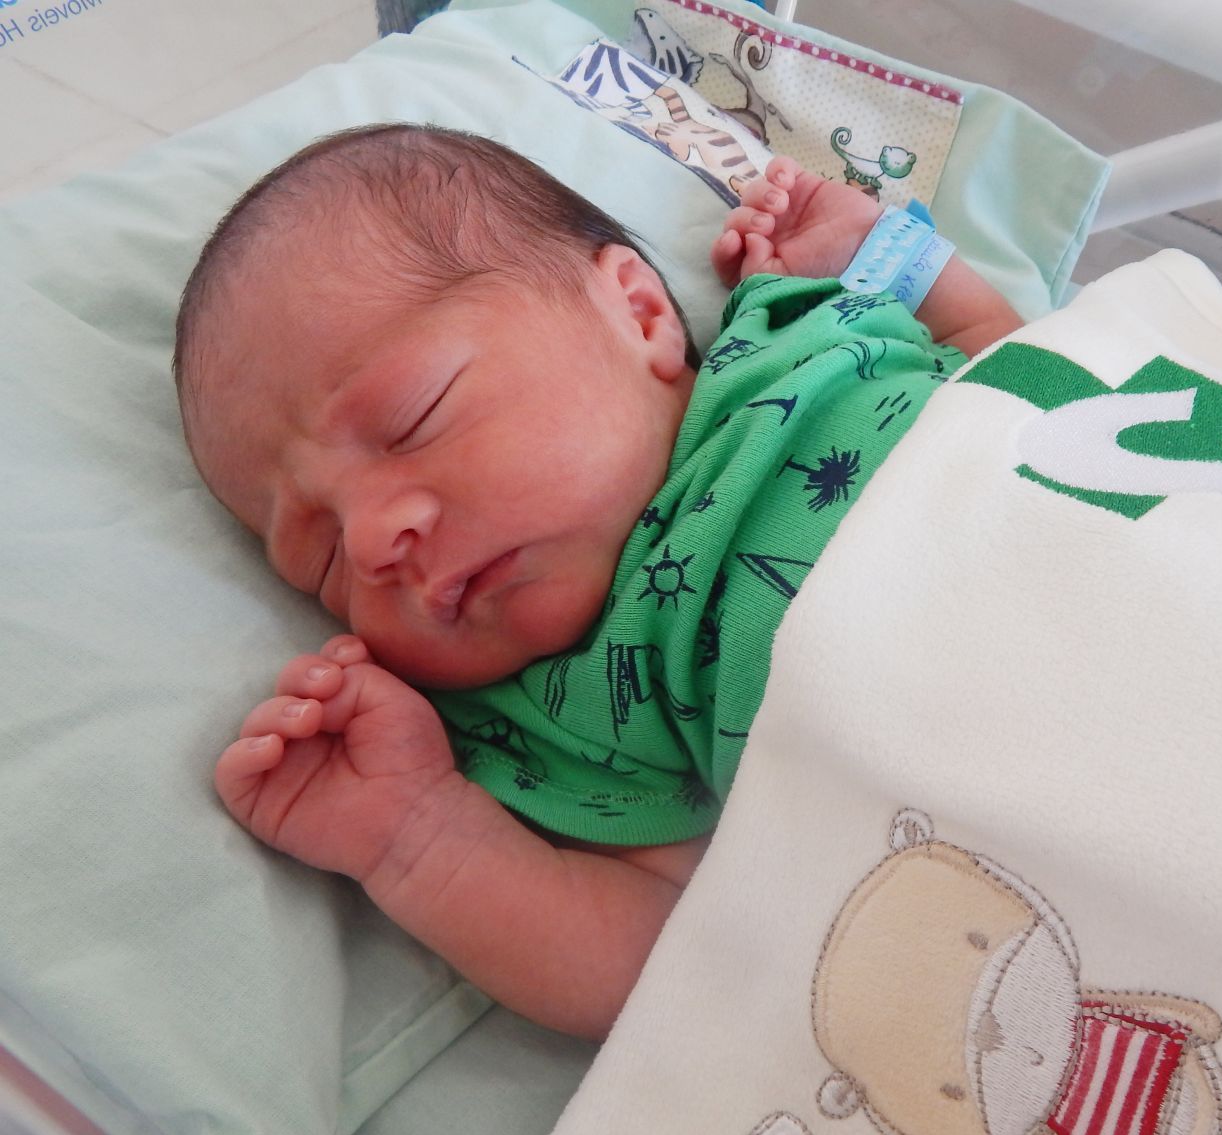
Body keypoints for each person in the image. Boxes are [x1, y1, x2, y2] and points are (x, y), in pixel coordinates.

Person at [174, 123, 1023, 1040]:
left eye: (413, 417)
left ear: (640, 314)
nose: (375, 541)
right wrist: (415, 836)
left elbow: (1025, 369)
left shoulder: (800, 341)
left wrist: (889, 252)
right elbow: (675, 969)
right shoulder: (574, 714)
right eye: (322, 559)